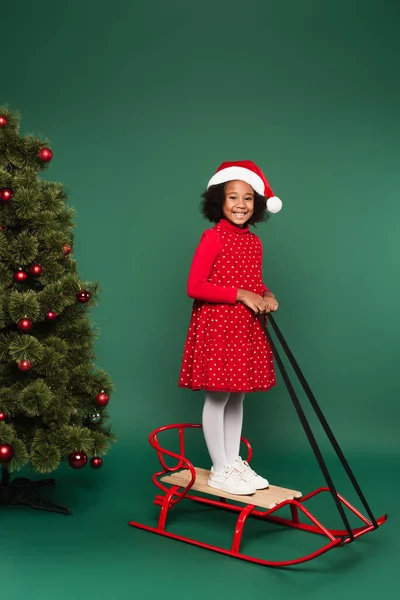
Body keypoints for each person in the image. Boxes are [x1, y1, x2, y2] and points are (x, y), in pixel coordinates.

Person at [179, 160, 282, 495]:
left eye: (248, 198)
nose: (241, 204)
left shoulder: (254, 242)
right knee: (218, 396)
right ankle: (220, 467)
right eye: (233, 197)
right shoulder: (213, 237)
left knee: (237, 396)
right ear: (218, 202)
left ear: (258, 204)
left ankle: (233, 461)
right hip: (219, 327)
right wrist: (240, 294)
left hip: (244, 328)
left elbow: (252, 281)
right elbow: (195, 286)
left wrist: (265, 293)